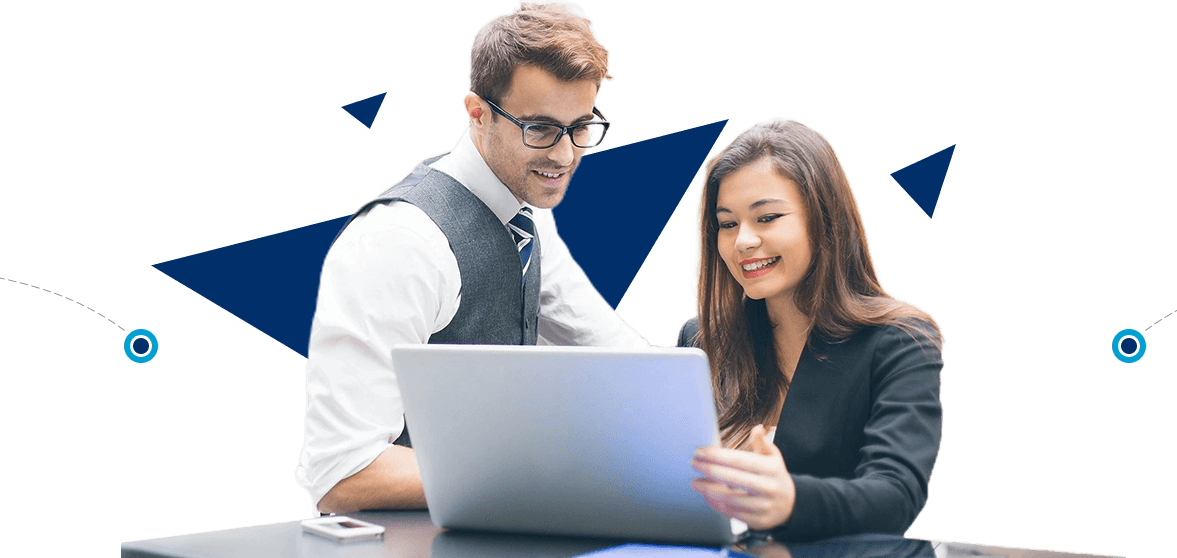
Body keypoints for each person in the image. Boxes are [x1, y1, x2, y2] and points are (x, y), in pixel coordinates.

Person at [295, 1, 650, 516]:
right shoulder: (400, 241)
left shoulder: (525, 212)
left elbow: (621, 358)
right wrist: (547, 472)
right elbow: (341, 472)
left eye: (581, 127)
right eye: (541, 129)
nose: (567, 155)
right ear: (477, 113)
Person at [676, 117, 946, 542]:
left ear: (823, 219)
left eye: (766, 218)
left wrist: (791, 501)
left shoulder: (901, 341)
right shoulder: (702, 339)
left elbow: (895, 494)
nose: (743, 240)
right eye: (727, 224)